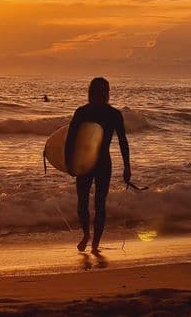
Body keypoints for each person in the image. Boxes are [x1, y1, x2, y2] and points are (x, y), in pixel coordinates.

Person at [64, 77, 131, 253]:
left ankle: (93, 240)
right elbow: (70, 139)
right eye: (100, 91)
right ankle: (88, 236)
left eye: (104, 91)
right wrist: (69, 163)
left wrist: (127, 166)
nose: (102, 95)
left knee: (95, 203)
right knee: (86, 202)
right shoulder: (86, 112)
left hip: (95, 163)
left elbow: (123, 142)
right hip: (88, 163)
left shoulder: (108, 114)